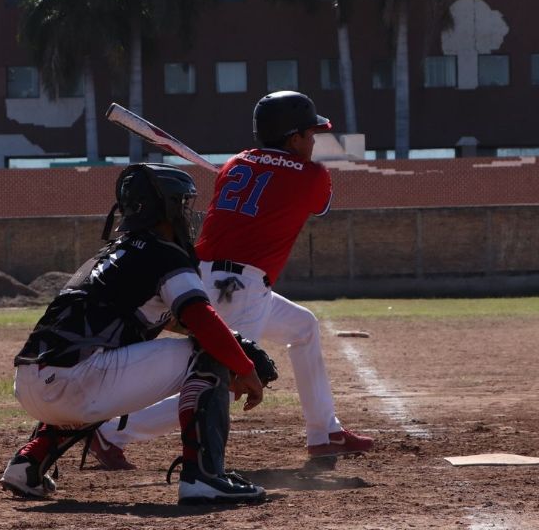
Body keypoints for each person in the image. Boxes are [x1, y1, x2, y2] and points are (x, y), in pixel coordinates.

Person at [87, 91, 374, 471]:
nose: (313, 141)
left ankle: (324, 432)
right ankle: (111, 434)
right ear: (292, 139)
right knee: (217, 379)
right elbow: (319, 207)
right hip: (239, 288)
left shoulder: (236, 164)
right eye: (309, 134)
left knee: (303, 326)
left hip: (207, 276)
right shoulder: (312, 176)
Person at [0, 163, 269, 505]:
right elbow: (199, 317)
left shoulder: (114, 254)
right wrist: (241, 365)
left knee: (106, 365)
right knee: (207, 353)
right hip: (75, 381)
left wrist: (233, 343)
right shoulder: (162, 253)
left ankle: (28, 463)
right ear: (166, 207)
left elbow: (165, 318)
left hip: (32, 384)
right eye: (182, 204)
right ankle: (204, 476)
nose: (187, 213)